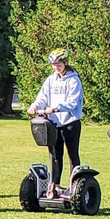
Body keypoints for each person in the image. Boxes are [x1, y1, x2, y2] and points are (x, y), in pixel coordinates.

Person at [27, 48, 84, 198]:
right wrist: (35, 106)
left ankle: (74, 187)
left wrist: (56, 108)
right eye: (53, 65)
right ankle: (55, 186)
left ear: (65, 63)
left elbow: (72, 103)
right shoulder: (51, 80)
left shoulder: (73, 80)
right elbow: (42, 97)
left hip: (70, 122)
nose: (56, 67)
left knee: (73, 155)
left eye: (58, 64)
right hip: (54, 124)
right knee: (55, 155)